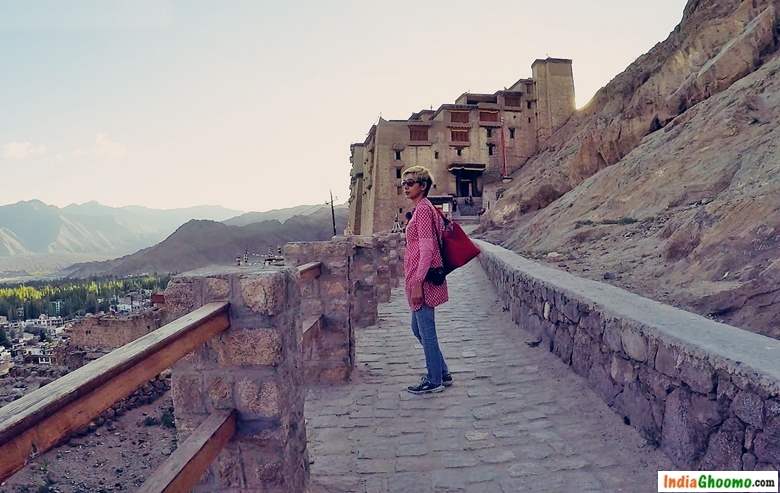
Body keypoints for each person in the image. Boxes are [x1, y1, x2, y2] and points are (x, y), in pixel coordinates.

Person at [401, 165, 451, 394]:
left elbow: (427, 248)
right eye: (404, 183)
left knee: (426, 331)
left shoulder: (422, 210)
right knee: (418, 329)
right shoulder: (425, 208)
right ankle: (442, 372)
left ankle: (435, 380)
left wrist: (418, 282)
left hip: (422, 279)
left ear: (422, 186)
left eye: (410, 183)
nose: (405, 187)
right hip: (419, 277)